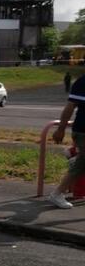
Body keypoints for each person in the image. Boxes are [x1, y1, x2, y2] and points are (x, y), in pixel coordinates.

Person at [48, 74, 85, 208]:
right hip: (83, 131)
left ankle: (73, 157)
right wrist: (61, 129)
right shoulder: (82, 82)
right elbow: (70, 107)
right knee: (81, 164)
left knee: (81, 164)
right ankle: (57, 194)